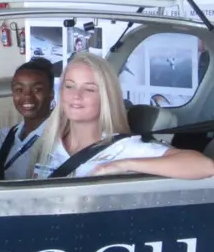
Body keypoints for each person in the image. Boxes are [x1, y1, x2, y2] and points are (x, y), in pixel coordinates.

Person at [30, 52, 214, 180]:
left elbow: (205, 166)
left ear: (106, 97)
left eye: (89, 88)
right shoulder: (46, 142)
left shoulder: (123, 148)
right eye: (69, 86)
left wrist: (122, 165)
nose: (76, 96)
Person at [0, 58, 55, 180]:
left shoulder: (62, 140)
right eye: (19, 90)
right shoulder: (1, 138)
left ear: (51, 93)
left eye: (37, 89)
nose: (27, 96)